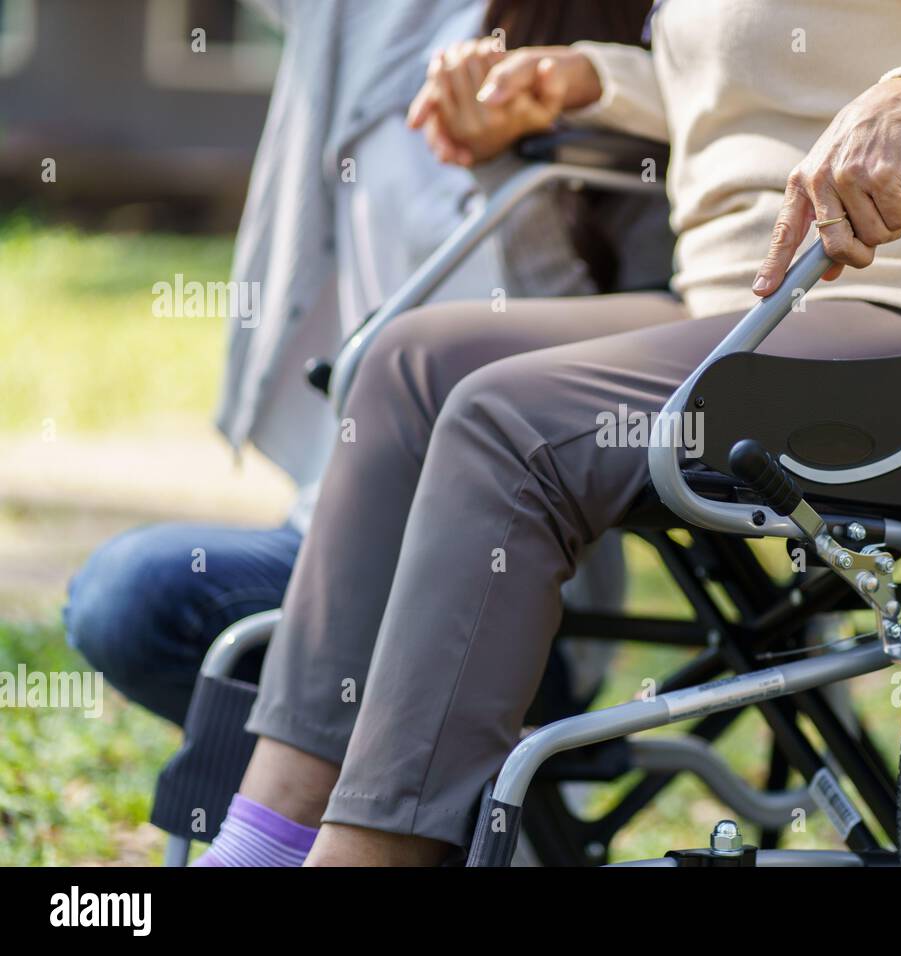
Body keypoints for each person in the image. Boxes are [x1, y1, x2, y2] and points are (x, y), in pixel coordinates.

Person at [193, 0, 901, 866]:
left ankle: (370, 855)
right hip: (741, 311)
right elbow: (766, 88)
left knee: (512, 422)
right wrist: (581, 80)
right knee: (407, 363)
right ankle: (268, 830)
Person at [62, 0, 664, 727]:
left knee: (138, 596)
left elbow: (618, 367)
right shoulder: (370, 20)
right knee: (126, 598)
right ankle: (391, 819)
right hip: (337, 524)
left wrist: (506, 172)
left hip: (520, 573)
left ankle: (388, 816)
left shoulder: (638, 54)